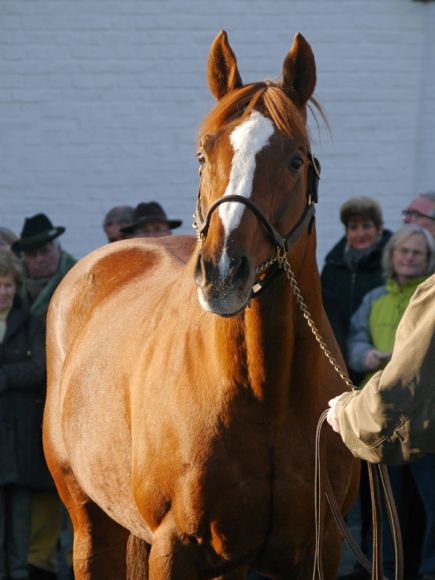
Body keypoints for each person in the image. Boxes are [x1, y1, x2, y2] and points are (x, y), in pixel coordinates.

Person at [329, 226, 435, 580]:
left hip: (401, 416)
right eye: (403, 250)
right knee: (388, 508)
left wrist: (345, 412)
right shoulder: (376, 297)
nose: (408, 257)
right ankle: (385, 569)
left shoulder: (426, 295)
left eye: (416, 253)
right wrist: (367, 356)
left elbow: (406, 383)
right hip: (380, 409)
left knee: (427, 507)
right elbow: (355, 340)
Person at [12, 214, 77, 580]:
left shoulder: (76, 281)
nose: (40, 258)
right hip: (29, 411)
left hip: (67, 403)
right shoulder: (17, 293)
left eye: (46, 250)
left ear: (57, 249)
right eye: (33, 253)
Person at [0, 251, 47, 580]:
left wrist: (3, 378)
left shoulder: (30, 323)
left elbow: (39, 369)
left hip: (19, 437)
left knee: (20, 520)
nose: (3, 292)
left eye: (7, 285)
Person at [321, 196, 392, 386]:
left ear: (379, 228)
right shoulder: (333, 267)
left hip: (377, 358)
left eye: (367, 226)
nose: (360, 233)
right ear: (346, 232)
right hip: (340, 356)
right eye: (354, 227)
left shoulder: (394, 265)